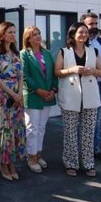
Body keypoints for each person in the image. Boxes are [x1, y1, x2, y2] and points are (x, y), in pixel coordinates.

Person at [54, 22, 101, 178]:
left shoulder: (93, 51)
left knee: (88, 132)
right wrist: (72, 70)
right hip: (70, 96)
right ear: (73, 34)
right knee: (70, 133)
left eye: (86, 32)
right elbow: (57, 72)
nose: (84, 35)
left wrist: (94, 71)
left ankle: (88, 163)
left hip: (90, 97)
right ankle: (71, 163)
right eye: (81, 32)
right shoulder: (63, 52)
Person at [0, 22, 26, 181]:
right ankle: (3, 163)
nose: (13, 34)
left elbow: (20, 75)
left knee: (15, 129)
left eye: (14, 31)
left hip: (16, 95)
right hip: (3, 96)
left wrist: (19, 93)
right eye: (10, 32)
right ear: (2, 34)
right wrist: (12, 94)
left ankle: (11, 162)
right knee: (4, 130)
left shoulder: (16, 53)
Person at [20, 25, 58, 173]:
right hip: (33, 96)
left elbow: (54, 74)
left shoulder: (47, 53)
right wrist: (38, 90)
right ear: (28, 38)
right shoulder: (24, 54)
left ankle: (38, 153)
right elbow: (24, 76)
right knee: (32, 129)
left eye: (39, 33)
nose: (38, 36)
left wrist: (53, 90)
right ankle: (31, 157)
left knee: (41, 127)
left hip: (48, 96)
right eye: (34, 34)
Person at [81, 11, 101, 162]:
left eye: (95, 23)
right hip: (85, 88)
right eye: (90, 24)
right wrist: (96, 71)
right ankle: (82, 151)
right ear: (83, 26)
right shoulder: (79, 44)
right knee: (84, 120)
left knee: (97, 120)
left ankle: (95, 149)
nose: (94, 26)